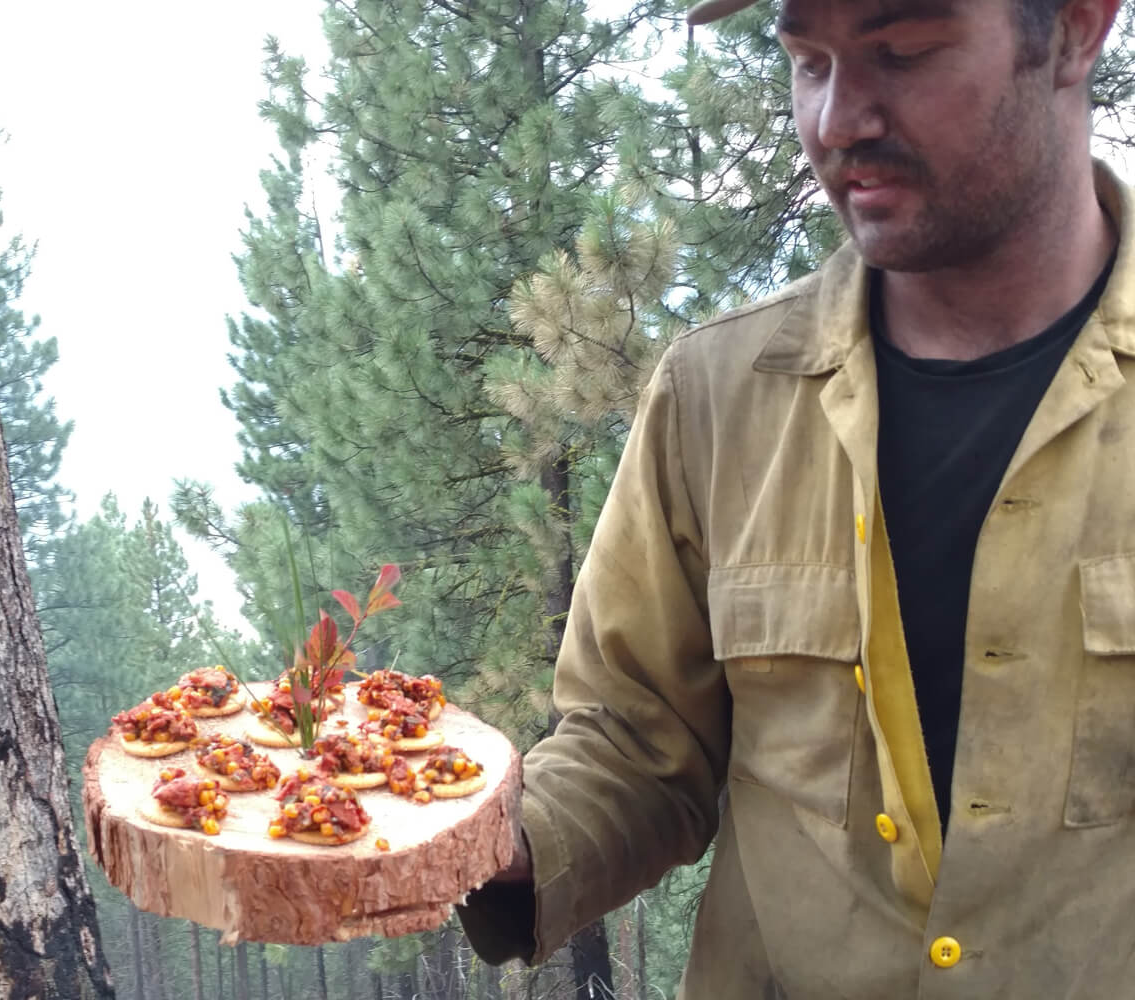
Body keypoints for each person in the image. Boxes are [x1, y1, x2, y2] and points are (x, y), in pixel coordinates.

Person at [459, 0, 1129, 995]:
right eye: (810, 62)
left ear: (1076, 29)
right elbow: (639, 745)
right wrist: (478, 840)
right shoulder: (715, 398)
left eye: (901, 51)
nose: (839, 116)